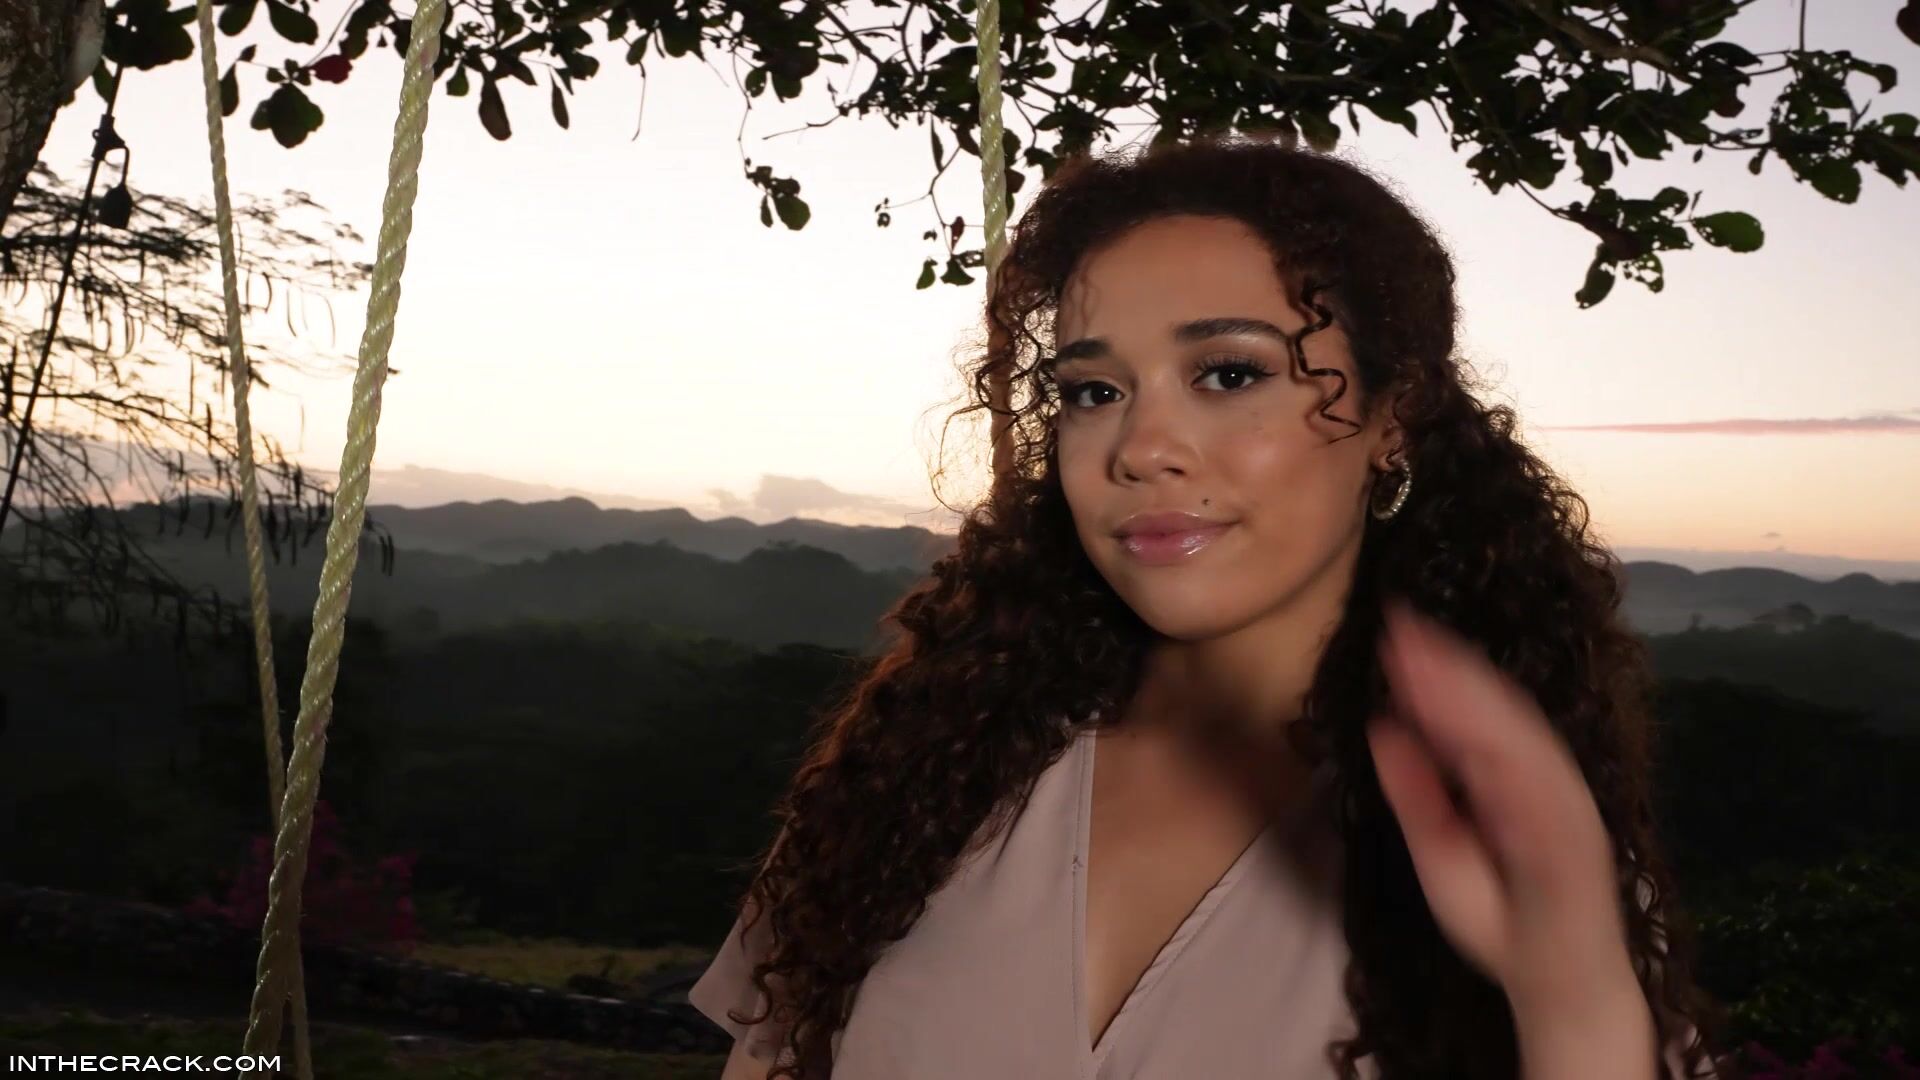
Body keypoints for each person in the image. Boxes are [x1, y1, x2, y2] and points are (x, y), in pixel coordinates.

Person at [689, 132, 1725, 1079]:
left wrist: (1575, 1006)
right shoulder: (918, 774)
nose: (1141, 449)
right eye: (1093, 392)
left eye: (1228, 374)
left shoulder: (1512, 848)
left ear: (1393, 416)